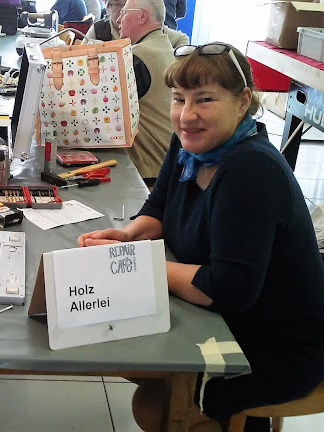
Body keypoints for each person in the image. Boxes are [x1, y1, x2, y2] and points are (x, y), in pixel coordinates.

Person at [78, 42, 324, 432]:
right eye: (178, 99)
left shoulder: (250, 171)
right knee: (136, 364)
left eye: (205, 99)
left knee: (157, 407)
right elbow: (158, 208)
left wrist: (141, 266)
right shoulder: (192, 143)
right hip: (226, 317)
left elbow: (226, 289)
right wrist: (127, 236)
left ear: (243, 102)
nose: (186, 115)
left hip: (274, 347)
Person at [115, 0, 176, 186]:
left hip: (147, 172)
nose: (118, 19)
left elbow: (101, 109)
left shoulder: (137, 57)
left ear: (142, 16)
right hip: (165, 163)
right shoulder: (162, 47)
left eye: (124, 12)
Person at [86, 0, 189, 49]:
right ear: (107, 8)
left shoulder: (151, 29)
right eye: (117, 5)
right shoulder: (98, 30)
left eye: (126, 5)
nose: (122, 10)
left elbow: (182, 39)